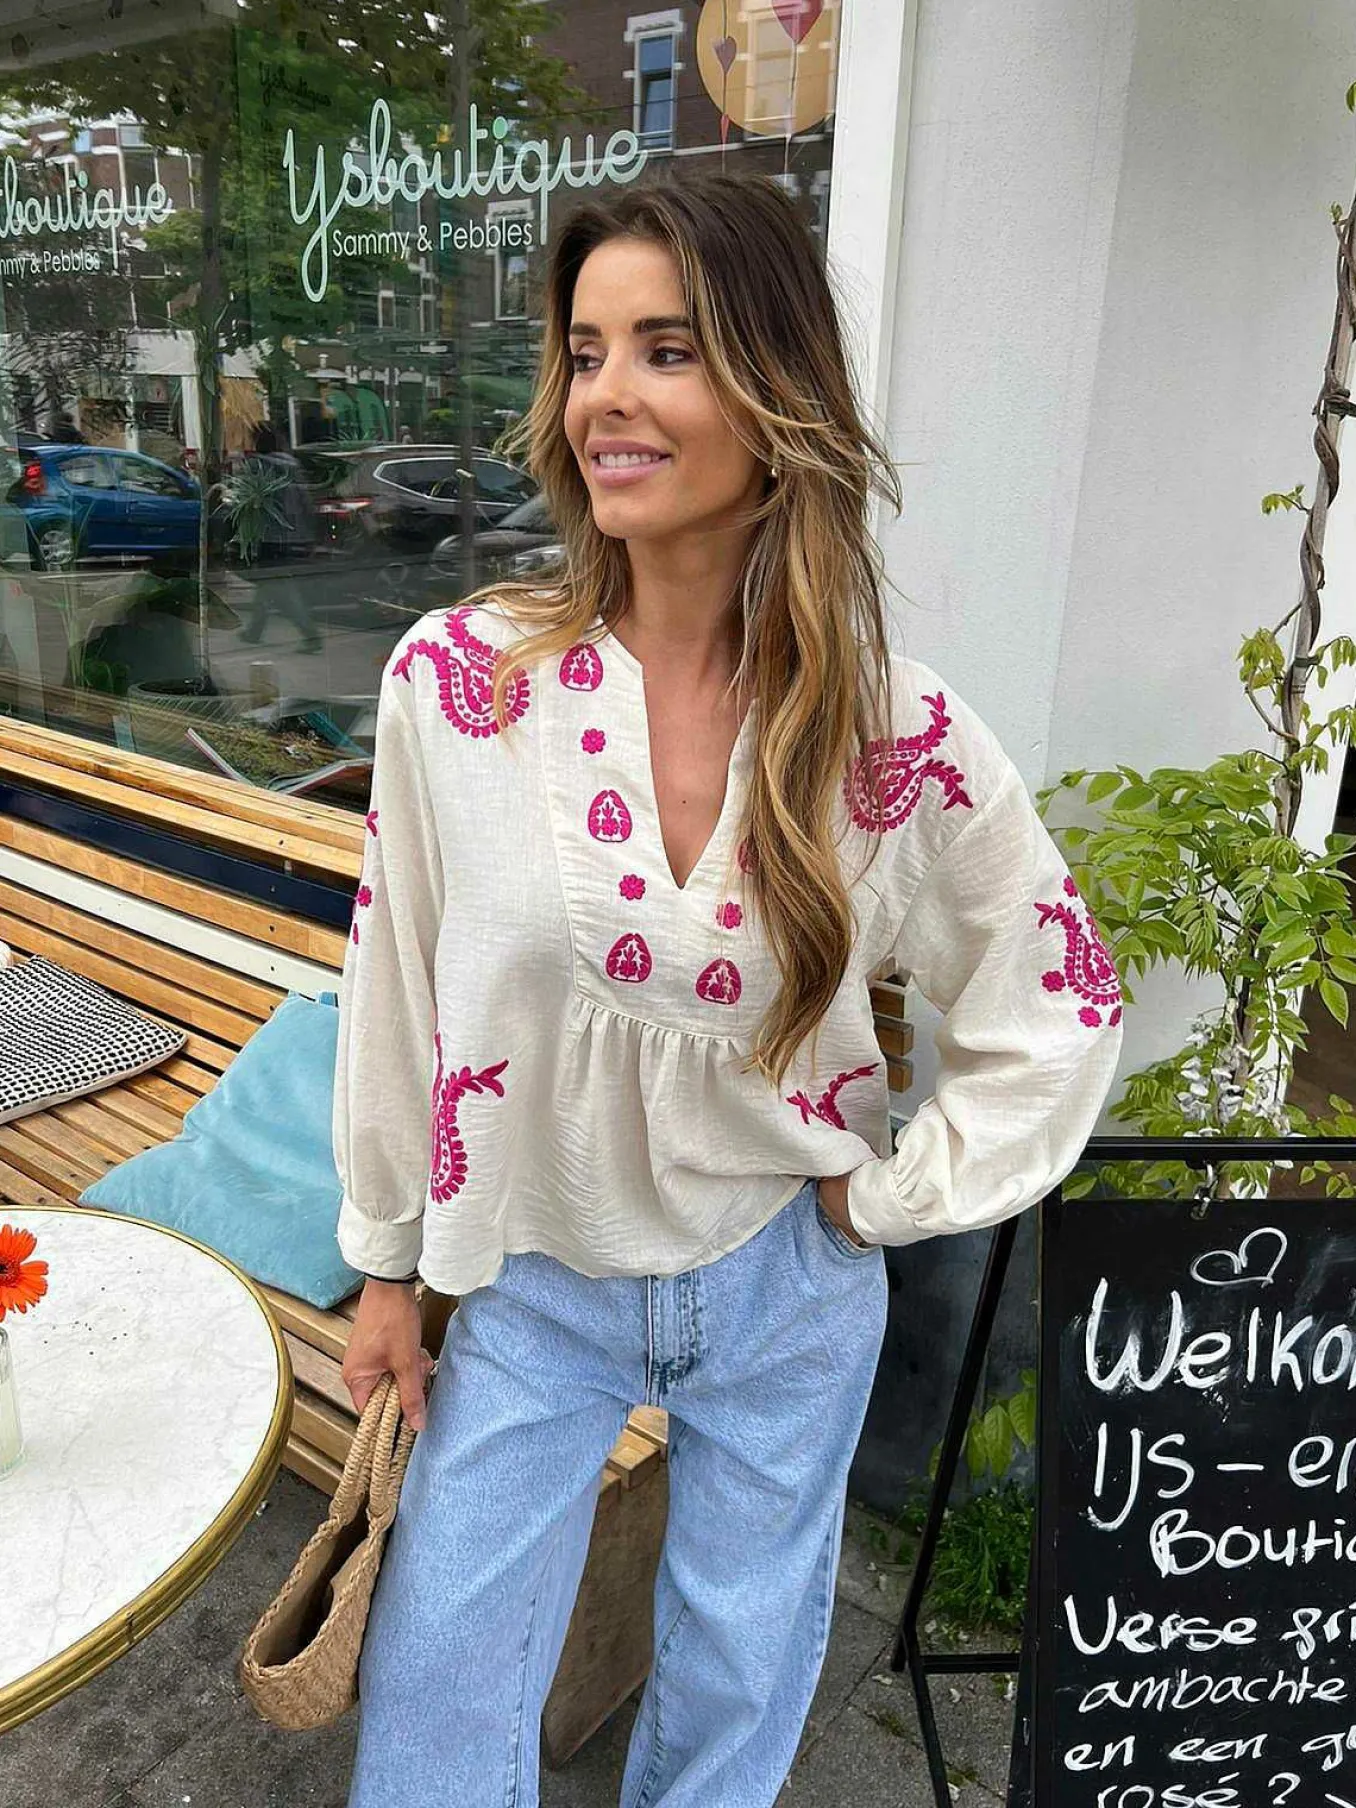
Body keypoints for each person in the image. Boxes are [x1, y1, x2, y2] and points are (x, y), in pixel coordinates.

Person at [334, 170, 1123, 1808]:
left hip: (787, 1280)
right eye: (584, 352)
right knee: (435, 1692)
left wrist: (892, 1196)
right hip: (538, 1280)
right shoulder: (460, 687)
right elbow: (394, 983)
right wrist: (388, 1266)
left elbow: (1058, 999)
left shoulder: (892, 732)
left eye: (667, 349)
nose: (603, 394)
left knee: (738, 1683)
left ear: (777, 395)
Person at [235, 422, 322, 654]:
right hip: (294, 535)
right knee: (268, 585)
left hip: (270, 536)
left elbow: (247, 503)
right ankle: (254, 630)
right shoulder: (291, 465)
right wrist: (311, 533)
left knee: (280, 589)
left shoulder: (256, 466)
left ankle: (311, 636)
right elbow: (306, 501)